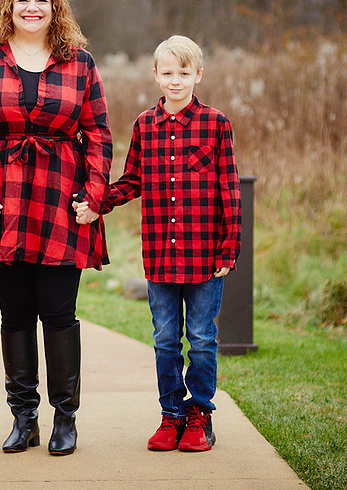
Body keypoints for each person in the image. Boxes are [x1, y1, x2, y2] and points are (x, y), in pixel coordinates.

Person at [0, 0, 112, 457]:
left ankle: (65, 418)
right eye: (23, 0)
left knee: (59, 314)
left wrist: (94, 194)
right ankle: (23, 417)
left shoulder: (80, 62)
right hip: (3, 205)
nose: (31, 8)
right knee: (16, 314)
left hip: (62, 201)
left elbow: (100, 134)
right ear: (10, 4)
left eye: (41, 1)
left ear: (54, 7)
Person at [76, 34, 241, 453]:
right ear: (155, 75)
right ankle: (171, 415)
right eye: (167, 73)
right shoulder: (145, 126)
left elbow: (229, 190)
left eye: (184, 73)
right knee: (166, 338)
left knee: (201, 338)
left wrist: (229, 247)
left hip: (205, 256)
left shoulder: (216, 124)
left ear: (198, 75)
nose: (175, 81)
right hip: (162, 255)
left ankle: (199, 415)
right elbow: (132, 181)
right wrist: (98, 202)